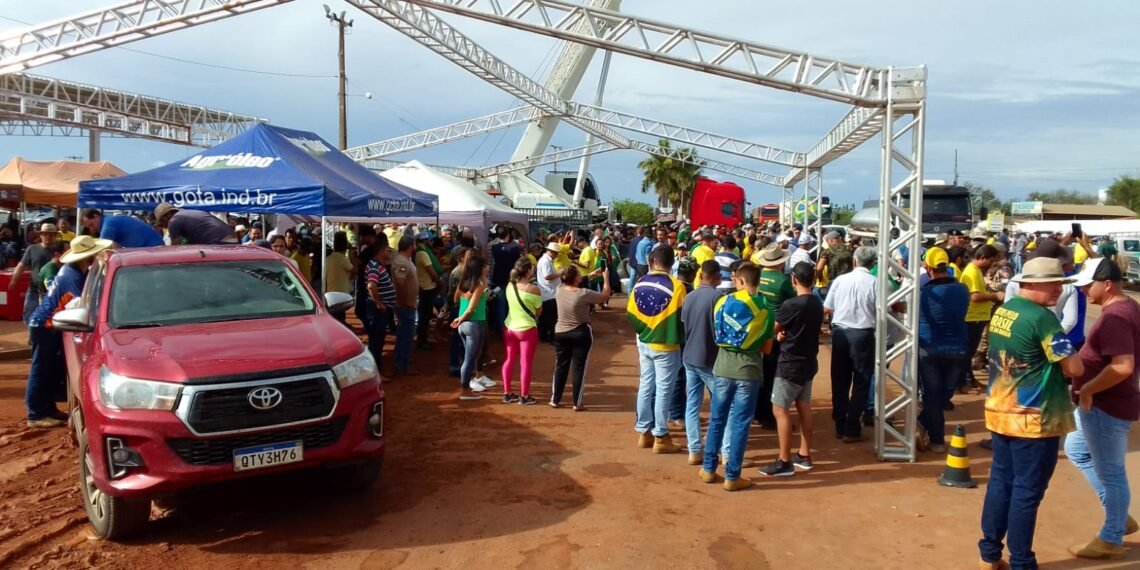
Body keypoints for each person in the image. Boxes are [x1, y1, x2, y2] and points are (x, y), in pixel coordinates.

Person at [978, 256, 1083, 570]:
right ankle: (1022, 560)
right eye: (1055, 284)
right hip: (1034, 418)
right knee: (1027, 490)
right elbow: (1073, 366)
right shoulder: (1042, 318)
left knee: (1001, 482)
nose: (1059, 291)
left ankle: (990, 553)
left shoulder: (1004, 311)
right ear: (1033, 283)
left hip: (1000, 410)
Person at [1063, 258, 1140, 559]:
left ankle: (1111, 535)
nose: (1083, 291)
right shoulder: (1126, 307)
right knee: (1077, 449)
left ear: (1106, 284)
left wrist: (1088, 390)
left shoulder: (1115, 317)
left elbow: (1122, 366)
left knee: (1111, 472)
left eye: (1087, 285)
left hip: (1104, 404)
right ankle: (1119, 517)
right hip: (1106, 402)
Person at [699, 262, 774, 491]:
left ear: (740, 281)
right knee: (740, 423)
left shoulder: (722, 302)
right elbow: (768, 350)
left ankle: (709, 469)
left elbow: (717, 334)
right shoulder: (765, 310)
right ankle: (732, 476)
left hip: (722, 368)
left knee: (717, 419)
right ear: (757, 282)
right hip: (749, 371)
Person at [24, 235, 113, 428]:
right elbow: (80, 304)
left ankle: (47, 409)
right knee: (41, 369)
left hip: (47, 324)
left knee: (48, 369)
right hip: (45, 325)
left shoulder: (72, 271)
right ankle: (36, 414)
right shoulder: (73, 276)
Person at [759, 261, 823, 477]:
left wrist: (777, 335)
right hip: (808, 361)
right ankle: (804, 455)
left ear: (794, 279)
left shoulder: (791, 305)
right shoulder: (816, 303)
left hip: (790, 364)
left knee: (779, 410)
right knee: (803, 406)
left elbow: (774, 328)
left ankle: (784, 460)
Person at [628, 245, 686, 454]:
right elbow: (683, 319)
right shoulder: (678, 286)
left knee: (646, 385)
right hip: (666, 345)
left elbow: (631, 313)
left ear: (653, 261)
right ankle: (661, 435)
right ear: (672, 263)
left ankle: (644, 432)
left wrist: (645, 329)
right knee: (663, 390)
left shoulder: (640, 282)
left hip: (644, 341)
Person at [915, 247, 969, 453]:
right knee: (944, 395)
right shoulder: (962, 289)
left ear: (928, 268)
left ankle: (934, 437)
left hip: (929, 350)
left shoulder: (923, 293)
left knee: (932, 396)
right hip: (958, 350)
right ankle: (928, 430)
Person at [823, 245, 878, 442]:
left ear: (854, 261)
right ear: (872, 264)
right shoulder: (874, 282)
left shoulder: (840, 280)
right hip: (863, 335)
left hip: (840, 334)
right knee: (862, 382)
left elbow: (827, 308)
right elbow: (883, 310)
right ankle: (852, 427)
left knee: (839, 381)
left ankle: (840, 424)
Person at [680, 260, 723, 465]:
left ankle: (694, 449)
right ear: (716, 277)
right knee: (720, 404)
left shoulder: (689, 297)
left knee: (692, 404)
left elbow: (685, 325)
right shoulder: (718, 298)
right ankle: (720, 447)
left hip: (690, 356)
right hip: (710, 359)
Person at [550, 264, 610, 410]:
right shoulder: (583, 293)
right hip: (580, 333)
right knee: (579, 368)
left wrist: (591, 275)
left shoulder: (559, 290)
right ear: (576, 278)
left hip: (560, 333)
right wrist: (606, 278)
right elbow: (604, 296)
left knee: (560, 366)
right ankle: (577, 402)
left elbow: (573, 282)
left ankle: (555, 399)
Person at [501, 257, 543, 405]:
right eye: (532, 267)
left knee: (509, 360)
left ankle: (507, 393)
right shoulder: (534, 289)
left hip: (510, 328)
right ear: (528, 271)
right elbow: (539, 311)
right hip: (527, 329)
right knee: (525, 363)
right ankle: (524, 396)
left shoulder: (509, 286)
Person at [962, 245, 1003, 391]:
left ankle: (969, 380)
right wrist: (995, 296)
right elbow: (974, 296)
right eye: (990, 261)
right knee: (968, 352)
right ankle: (965, 381)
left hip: (977, 316)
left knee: (970, 351)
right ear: (983, 258)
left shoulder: (976, 271)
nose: (991, 264)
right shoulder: (972, 272)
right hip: (973, 317)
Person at [452, 254, 490, 401]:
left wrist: (460, 319)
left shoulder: (464, 281)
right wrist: (460, 319)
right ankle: (465, 390)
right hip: (473, 323)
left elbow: (455, 298)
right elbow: (472, 308)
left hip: (464, 325)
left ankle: (467, 387)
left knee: (468, 358)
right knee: (470, 359)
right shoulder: (480, 284)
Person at [11, 222, 59, 323]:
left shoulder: (59, 250)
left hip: (53, 292)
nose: (48, 236)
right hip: (34, 290)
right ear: (40, 235)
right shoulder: (32, 249)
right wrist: (14, 280)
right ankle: (32, 337)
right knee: (29, 316)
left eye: (51, 234)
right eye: (45, 234)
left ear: (55, 235)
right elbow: (21, 265)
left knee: (51, 319)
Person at [364, 240, 397, 372]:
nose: (389, 253)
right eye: (387, 250)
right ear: (381, 252)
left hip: (380, 308)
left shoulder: (377, 264)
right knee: (376, 341)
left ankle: (376, 368)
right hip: (377, 310)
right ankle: (376, 370)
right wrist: (379, 303)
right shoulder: (374, 266)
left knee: (378, 339)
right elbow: (371, 285)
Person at [391, 236, 420, 376]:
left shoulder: (405, 260)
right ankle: (402, 363)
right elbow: (400, 283)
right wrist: (404, 301)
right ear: (410, 246)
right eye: (414, 244)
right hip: (405, 305)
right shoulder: (402, 262)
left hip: (408, 304)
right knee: (406, 334)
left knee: (406, 333)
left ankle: (402, 361)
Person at [415, 232, 444, 349]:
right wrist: (439, 281)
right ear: (425, 241)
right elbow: (431, 270)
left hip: (424, 286)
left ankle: (422, 339)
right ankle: (422, 341)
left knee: (425, 315)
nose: (431, 242)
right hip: (427, 287)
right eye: (430, 240)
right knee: (424, 316)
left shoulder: (420, 252)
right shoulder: (423, 253)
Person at [153, 203, 237, 245]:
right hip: (232, 238)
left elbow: (175, 249)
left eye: (161, 222)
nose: (164, 226)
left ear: (166, 216)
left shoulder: (174, 220)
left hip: (217, 242)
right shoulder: (188, 213)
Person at [80, 209, 163, 247]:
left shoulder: (108, 225)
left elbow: (102, 251)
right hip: (153, 246)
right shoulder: (110, 220)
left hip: (154, 248)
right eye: (88, 227)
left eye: (91, 225)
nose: (92, 229)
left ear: (96, 216)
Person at [536, 241, 562, 342]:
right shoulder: (546, 261)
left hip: (548, 293)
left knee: (545, 317)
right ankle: (550, 337)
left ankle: (544, 336)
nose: (557, 255)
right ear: (551, 252)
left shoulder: (546, 260)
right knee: (551, 318)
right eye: (556, 253)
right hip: (549, 293)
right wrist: (560, 272)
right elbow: (547, 276)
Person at [815, 230, 851, 300]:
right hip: (848, 282)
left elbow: (819, 268)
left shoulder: (827, 252)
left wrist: (819, 278)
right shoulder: (848, 250)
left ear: (830, 241)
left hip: (834, 282)